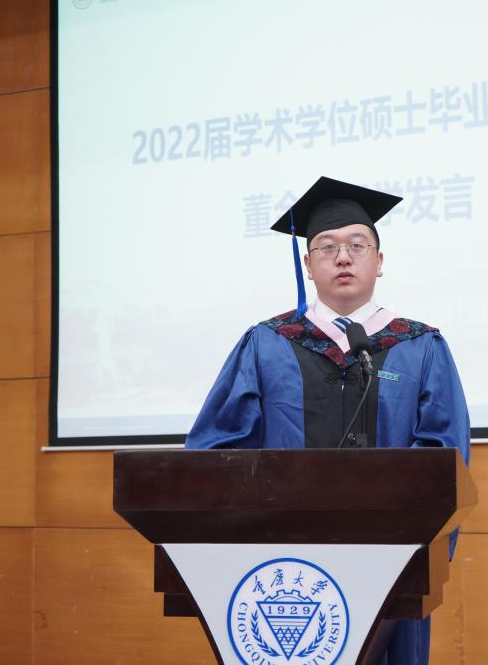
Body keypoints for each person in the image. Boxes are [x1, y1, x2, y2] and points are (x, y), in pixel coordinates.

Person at [186, 176, 470, 664]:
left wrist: (409, 540)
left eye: (358, 246)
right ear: (308, 264)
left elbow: (446, 459)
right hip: (282, 565)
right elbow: (214, 452)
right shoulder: (266, 343)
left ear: (379, 261)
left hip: (392, 564)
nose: (343, 257)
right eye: (328, 247)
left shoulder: (420, 346)